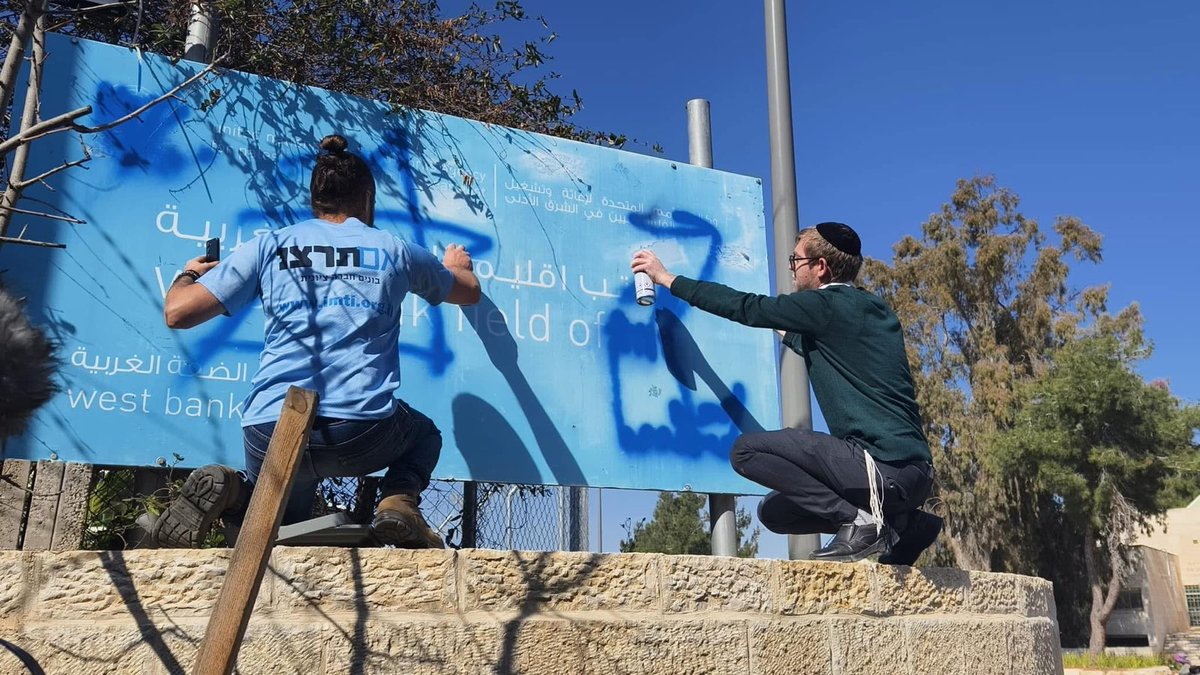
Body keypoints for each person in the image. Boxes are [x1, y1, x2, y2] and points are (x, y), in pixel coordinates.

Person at [154, 133, 480, 549]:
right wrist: (455, 265)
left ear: (315, 200)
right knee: (423, 435)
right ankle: (398, 502)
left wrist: (190, 273)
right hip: (359, 430)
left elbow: (178, 312)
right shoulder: (394, 249)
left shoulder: (269, 246)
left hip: (271, 428)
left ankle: (236, 494)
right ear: (367, 198)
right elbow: (468, 291)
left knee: (273, 521)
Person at [631, 222, 940, 564]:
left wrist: (667, 278)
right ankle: (904, 523)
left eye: (796, 261)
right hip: (915, 476)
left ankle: (859, 522)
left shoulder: (825, 305)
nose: (792, 271)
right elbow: (792, 333)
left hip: (878, 467)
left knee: (746, 452)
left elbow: (748, 307)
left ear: (820, 267)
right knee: (776, 513)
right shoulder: (870, 310)